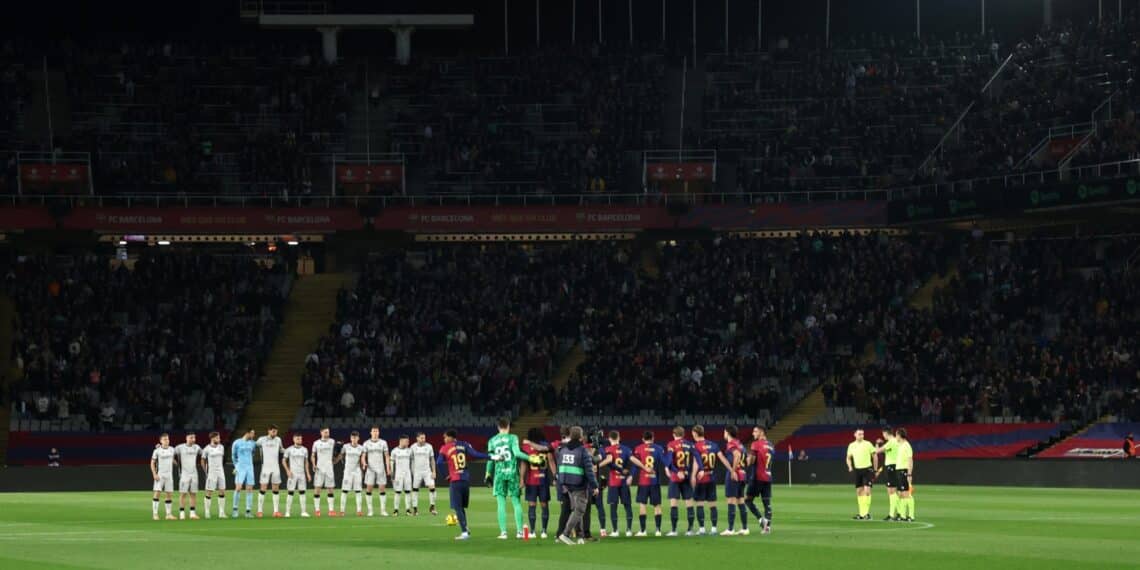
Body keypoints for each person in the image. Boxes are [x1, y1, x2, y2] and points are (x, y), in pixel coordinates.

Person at [486, 417, 540, 539]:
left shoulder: (492, 440)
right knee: (516, 502)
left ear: (498, 427)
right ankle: (520, 532)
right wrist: (532, 458)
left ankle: (503, 533)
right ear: (508, 426)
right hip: (512, 474)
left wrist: (488, 474)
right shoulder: (513, 438)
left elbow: (490, 459)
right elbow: (517, 454)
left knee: (501, 503)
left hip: (499, 475)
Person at [438, 429, 489, 540]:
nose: (444, 439)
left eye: (445, 437)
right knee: (461, 508)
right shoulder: (464, 444)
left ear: (451, 437)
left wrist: (445, 475)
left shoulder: (444, 448)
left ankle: (464, 532)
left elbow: (439, 462)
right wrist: (490, 457)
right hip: (465, 480)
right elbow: (475, 454)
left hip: (455, 481)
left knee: (457, 507)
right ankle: (466, 529)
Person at [557, 426, 599, 546]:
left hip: (566, 483)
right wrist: (595, 486)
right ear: (581, 437)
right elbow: (589, 471)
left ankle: (580, 536)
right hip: (579, 484)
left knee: (576, 509)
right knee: (580, 510)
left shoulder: (563, 449)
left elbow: (560, 466)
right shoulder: (582, 451)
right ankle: (565, 534)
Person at [628, 430, 669, 537]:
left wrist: (631, 476)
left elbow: (635, 465)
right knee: (657, 506)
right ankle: (658, 531)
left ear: (643, 439)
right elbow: (665, 462)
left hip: (643, 482)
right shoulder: (659, 448)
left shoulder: (638, 448)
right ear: (653, 438)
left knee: (642, 505)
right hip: (655, 481)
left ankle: (643, 531)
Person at [691, 424, 730, 535]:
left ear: (695, 433)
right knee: (712, 504)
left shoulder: (695, 446)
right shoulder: (714, 445)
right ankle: (714, 529)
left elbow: (696, 463)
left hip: (701, 478)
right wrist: (731, 469)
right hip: (711, 477)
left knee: (699, 503)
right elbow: (722, 458)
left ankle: (702, 529)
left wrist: (693, 475)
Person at [596, 430, 634, 537]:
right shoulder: (627, 449)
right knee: (627, 506)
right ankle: (629, 530)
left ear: (609, 439)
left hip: (613, 482)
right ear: (619, 437)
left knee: (613, 506)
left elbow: (604, 459)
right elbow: (632, 463)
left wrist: (597, 465)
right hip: (624, 481)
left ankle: (615, 531)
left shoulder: (607, 449)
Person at [522, 427, 556, 539]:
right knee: (544, 505)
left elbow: (524, 464)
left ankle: (531, 531)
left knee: (532, 505)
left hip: (531, 481)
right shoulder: (546, 445)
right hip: (543, 480)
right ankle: (544, 531)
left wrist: (521, 479)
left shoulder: (526, 446)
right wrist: (555, 476)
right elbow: (551, 461)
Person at [665, 425, 698, 536]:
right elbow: (697, 459)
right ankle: (690, 530)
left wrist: (676, 471)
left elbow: (669, 462)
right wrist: (690, 472)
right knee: (689, 503)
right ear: (684, 435)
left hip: (675, 477)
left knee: (674, 503)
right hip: (687, 476)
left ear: (674, 434)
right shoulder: (690, 444)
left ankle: (674, 530)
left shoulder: (671, 444)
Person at [745, 426, 774, 534]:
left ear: (761, 432)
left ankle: (761, 520)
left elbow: (751, 461)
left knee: (747, 500)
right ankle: (768, 528)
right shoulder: (771, 446)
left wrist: (747, 458)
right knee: (767, 503)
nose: (753, 433)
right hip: (768, 476)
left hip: (757, 477)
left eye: (755, 431)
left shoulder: (756, 444)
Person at [720, 426, 747, 536]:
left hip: (735, 475)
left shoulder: (731, 444)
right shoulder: (740, 444)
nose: (724, 434)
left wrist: (733, 471)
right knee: (740, 500)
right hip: (742, 474)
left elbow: (737, 455)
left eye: (724, 432)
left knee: (731, 500)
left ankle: (730, 529)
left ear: (728, 433)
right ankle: (745, 528)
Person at [846, 428, 877, 520]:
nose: (861, 436)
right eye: (859, 434)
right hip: (858, 470)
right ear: (855, 435)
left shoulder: (868, 444)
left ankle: (866, 513)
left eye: (862, 434)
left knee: (867, 491)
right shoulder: (851, 445)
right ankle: (861, 513)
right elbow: (848, 458)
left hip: (868, 469)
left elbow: (874, 456)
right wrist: (850, 466)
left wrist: (875, 469)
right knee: (859, 492)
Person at [363, 426, 392, 516]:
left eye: (377, 431)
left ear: (378, 433)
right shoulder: (366, 443)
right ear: (371, 432)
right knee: (369, 489)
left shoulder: (383, 443)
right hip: (370, 469)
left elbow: (387, 456)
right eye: (374, 431)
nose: (375, 433)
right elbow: (363, 455)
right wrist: (364, 463)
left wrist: (388, 468)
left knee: (382, 489)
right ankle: (370, 510)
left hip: (381, 468)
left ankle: (383, 510)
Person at [256, 425, 284, 517]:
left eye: (276, 431)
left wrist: (289, 450)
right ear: (268, 431)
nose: (275, 433)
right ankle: (260, 511)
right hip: (265, 467)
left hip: (275, 466)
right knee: (263, 487)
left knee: (276, 488)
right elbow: (254, 446)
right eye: (273, 431)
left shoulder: (278, 440)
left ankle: (276, 511)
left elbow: (281, 450)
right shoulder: (261, 440)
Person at [336, 431, 365, 516]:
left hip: (357, 471)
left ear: (358, 438)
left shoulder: (361, 448)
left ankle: (359, 511)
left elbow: (362, 459)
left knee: (358, 491)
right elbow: (340, 456)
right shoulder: (345, 446)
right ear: (350, 438)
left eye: (356, 437)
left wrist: (363, 466)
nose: (354, 439)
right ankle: (342, 511)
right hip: (347, 471)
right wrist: (334, 461)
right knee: (344, 491)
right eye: (353, 437)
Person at [310, 427, 338, 516]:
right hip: (319, 468)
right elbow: (313, 455)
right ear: (321, 432)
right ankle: (317, 510)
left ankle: (331, 510)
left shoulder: (332, 441)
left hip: (329, 468)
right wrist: (314, 464)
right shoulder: (316, 443)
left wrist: (336, 457)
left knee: (330, 489)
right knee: (317, 488)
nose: (327, 433)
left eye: (328, 432)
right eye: (325, 432)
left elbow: (335, 453)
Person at [282, 433, 311, 517]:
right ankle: (287, 512)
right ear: (294, 439)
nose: (299, 440)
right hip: (293, 474)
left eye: (300, 439)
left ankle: (303, 512)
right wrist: (287, 471)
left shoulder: (305, 450)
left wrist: (308, 473)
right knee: (290, 492)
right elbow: (283, 461)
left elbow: (306, 462)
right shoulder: (289, 449)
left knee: (302, 492)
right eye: (298, 439)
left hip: (302, 474)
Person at [173, 433, 201, 520]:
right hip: (184, 474)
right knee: (183, 494)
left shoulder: (197, 447)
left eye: (194, 437)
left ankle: (192, 513)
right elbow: (170, 454)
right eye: (191, 437)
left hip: (194, 474)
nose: (193, 439)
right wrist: (176, 464)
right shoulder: (179, 447)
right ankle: (182, 513)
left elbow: (205, 454)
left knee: (193, 494)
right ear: (186, 438)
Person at [199, 432, 226, 518]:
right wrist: (205, 471)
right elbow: (202, 460)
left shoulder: (221, 447)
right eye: (217, 438)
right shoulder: (207, 449)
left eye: (219, 438)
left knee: (222, 490)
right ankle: (207, 512)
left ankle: (221, 512)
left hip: (220, 471)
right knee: (209, 491)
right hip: (211, 472)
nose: (219, 439)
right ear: (213, 438)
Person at [231, 428, 257, 518]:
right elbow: (233, 455)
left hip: (250, 468)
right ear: (247, 433)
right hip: (240, 468)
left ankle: (248, 511)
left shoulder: (253, 444)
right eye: (252, 433)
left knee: (250, 489)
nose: (253, 435)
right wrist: (236, 466)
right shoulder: (237, 442)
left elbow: (253, 453)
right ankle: (235, 509)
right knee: (238, 488)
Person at [875, 428, 899, 521]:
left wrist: (877, 443)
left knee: (891, 492)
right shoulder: (895, 442)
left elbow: (877, 451)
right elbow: (886, 451)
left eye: (883, 434)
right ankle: (897, 513)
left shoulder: (891, 442)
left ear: (886, 433)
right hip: (895, 466)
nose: (883, 436)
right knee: (893, 491)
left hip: (891, 467)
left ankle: (892, 514)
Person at [410, 432, 438, 515]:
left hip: (427, 471)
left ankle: (432, 507)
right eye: (421, 438)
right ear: (417, 438)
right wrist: (412, 471)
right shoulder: (413, 447)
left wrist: (434, 471)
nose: (423, 440)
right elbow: (411, 460)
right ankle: (415, 509)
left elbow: (432, 460)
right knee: (415, 489)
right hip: (417, 471)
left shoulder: (429, 447)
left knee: (432, 487)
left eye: (424, 438)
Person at [150, 433, 176, 520]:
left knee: (169, 494)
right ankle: (155, 514)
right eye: (165, 439)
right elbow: (152, 463)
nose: (167, 441)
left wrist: (176, 463)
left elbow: (172, 459)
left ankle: (168, 514)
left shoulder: (172, 449)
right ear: (161, 441)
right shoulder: (157, 451)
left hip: (169, 475)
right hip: (160, 474)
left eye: (168, 439)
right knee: (157, 493)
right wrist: (154, 473)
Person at [391, 435, 414, 516]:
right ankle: (396, 510)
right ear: (401, 441)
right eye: (406, 441)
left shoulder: (410, 451)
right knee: (397, 492)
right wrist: (392, 476)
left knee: (408, 492)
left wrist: (412, 473)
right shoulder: (394, 451)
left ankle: (408, 510)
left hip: (407, 474)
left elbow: (412, 463)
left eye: (408, 441)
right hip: (398, 474)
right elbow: (392, 464)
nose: (408, 443)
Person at [894, 428, 915, 521]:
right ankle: (902, 515)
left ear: (899, 435)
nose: (895, 437)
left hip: (904, 471)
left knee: (907, 493)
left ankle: (911, 516)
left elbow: (910, 460)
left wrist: (909, 474)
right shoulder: (899, 445)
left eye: (896, 435)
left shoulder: (907, 446)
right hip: (898, 470)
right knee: (901, 494)